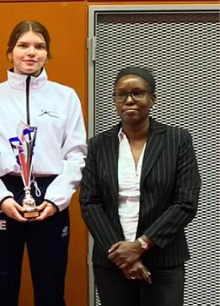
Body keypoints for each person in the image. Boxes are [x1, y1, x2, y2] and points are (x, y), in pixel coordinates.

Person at [0, 21, 87, 306]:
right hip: (4, 196)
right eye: (23, 46)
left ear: (47, 54)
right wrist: (0, 199)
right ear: (9, 52)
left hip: (50, 197)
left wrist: (56, 200)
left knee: (51, 290)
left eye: (39, 47)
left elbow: (76, 154)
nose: (31, 53)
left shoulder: (65, 97)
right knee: (1, 290)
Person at [80, 67, 200, 306]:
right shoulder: (97, 145)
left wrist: (141, 245)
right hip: (112, 260)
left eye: (138, 93)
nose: (129, 100)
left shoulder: (177, 140)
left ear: (152, 98)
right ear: (114, 100)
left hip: (163, 260)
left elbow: (185, 201)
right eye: (121, 94)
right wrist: (123, 255)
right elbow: (89, 202)